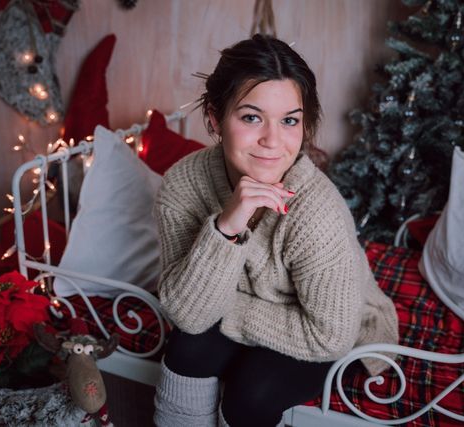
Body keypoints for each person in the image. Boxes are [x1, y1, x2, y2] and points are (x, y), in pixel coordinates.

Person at [153, 34, 399, 427]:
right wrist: (226, 224)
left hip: (325, 324)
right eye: (251, 117)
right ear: (216, 119)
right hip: (255, 309)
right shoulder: (184, 184)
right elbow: (186, 315)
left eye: (289, 121)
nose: (273, 141)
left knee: (253, 391)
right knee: (186, 349)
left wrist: (225, 310)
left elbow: (329, 336)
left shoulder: (317, 210)